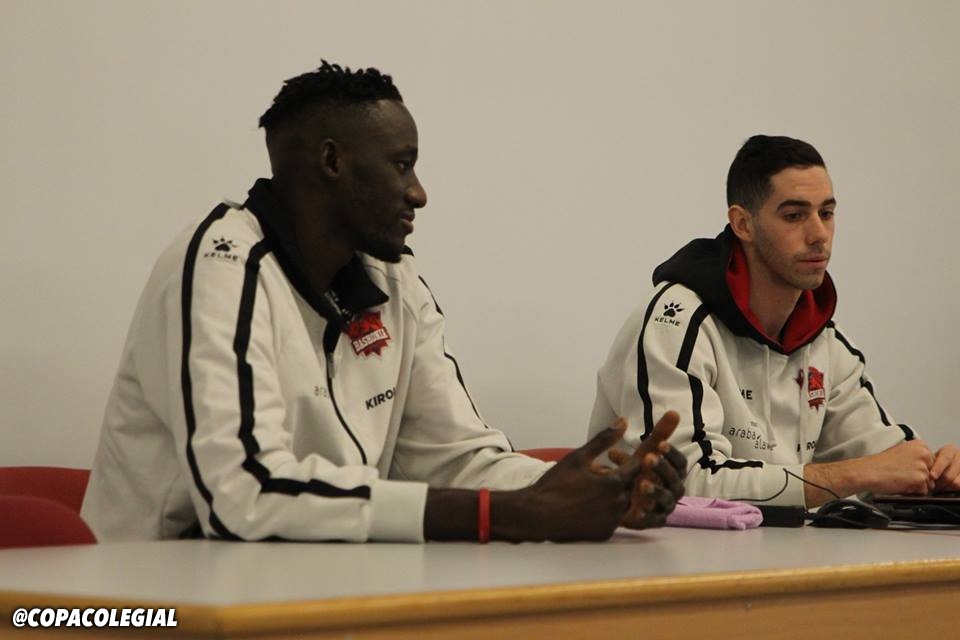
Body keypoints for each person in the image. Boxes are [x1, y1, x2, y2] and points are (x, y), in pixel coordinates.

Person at [82, 61, 686, 542]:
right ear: (332, 161)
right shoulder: (221, 265)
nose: (418, 193)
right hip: (150, 602)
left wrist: (597, 487)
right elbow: (242, 495)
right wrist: (504, 514)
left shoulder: (394, 280)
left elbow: (456, 460)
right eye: (402, 165)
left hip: (309, 589)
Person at [588, 135, 960, 507]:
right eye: (794, 216)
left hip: (777, 544)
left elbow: (889, 463)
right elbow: (684, 482)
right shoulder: (675, 322)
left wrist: (936, 473)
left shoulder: (825, 342)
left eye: (826, 213)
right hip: (653, 543)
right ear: (743, 224)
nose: (819, 235)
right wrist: (856, 475)